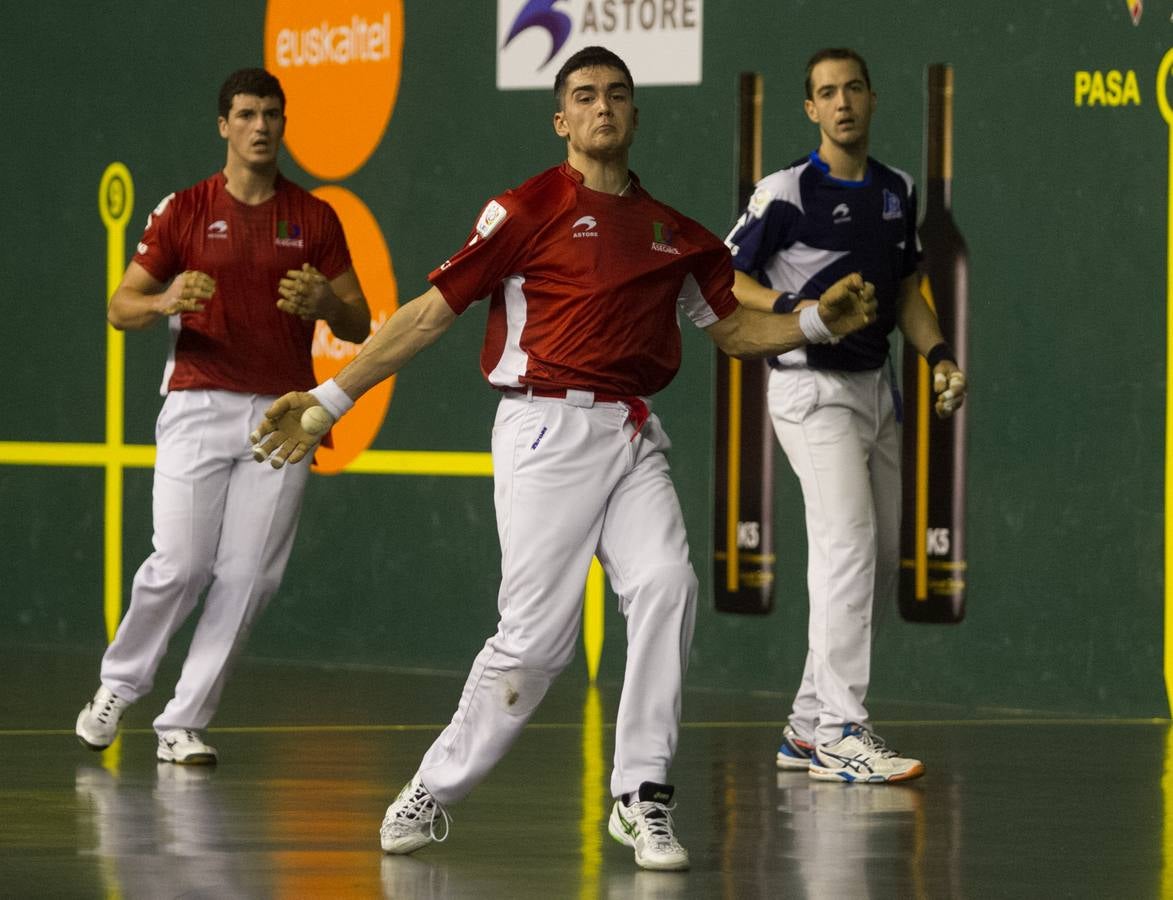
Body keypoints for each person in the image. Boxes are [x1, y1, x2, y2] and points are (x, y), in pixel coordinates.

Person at [250, 46, 875, 870]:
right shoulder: (524, 211)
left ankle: (641, 794)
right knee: (536, 643)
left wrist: (815, 323)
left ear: (635, 114)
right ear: (560, 120)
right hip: (544, 431)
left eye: (615, 94)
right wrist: (331, 398)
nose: (601, 107)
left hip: (631, 434)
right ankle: (432, 787)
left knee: (667, 584)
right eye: (583, 96)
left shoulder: (675, 235)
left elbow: (732, 331)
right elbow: (428, 315)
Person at [75, 68, 371, 765]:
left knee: (250, 578)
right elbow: (120, 306)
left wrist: (327, 305)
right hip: (198, 403)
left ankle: (182, 722)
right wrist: (164, 300)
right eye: (245, 114)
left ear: (283, 123)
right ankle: (118, 685)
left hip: (282, 418)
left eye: (271, 114)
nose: (260, 126)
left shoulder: (315, 218)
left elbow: (359, 322)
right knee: (180, 564)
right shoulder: (183, 210)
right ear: (223, 125)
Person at [725, 47, 968, 784]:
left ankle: (806, 729)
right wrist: (797, 307)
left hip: (874, 391)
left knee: (876, 560)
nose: (842, 102)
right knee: (848, 546)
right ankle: (840, 733)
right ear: (810, 109)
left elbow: (906, 293)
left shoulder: (896, 190)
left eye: (852, 88)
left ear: (871, 98)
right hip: (808, 388)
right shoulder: (784, 192)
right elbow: (723, 276)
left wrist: (939, 356)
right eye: (827, 93)